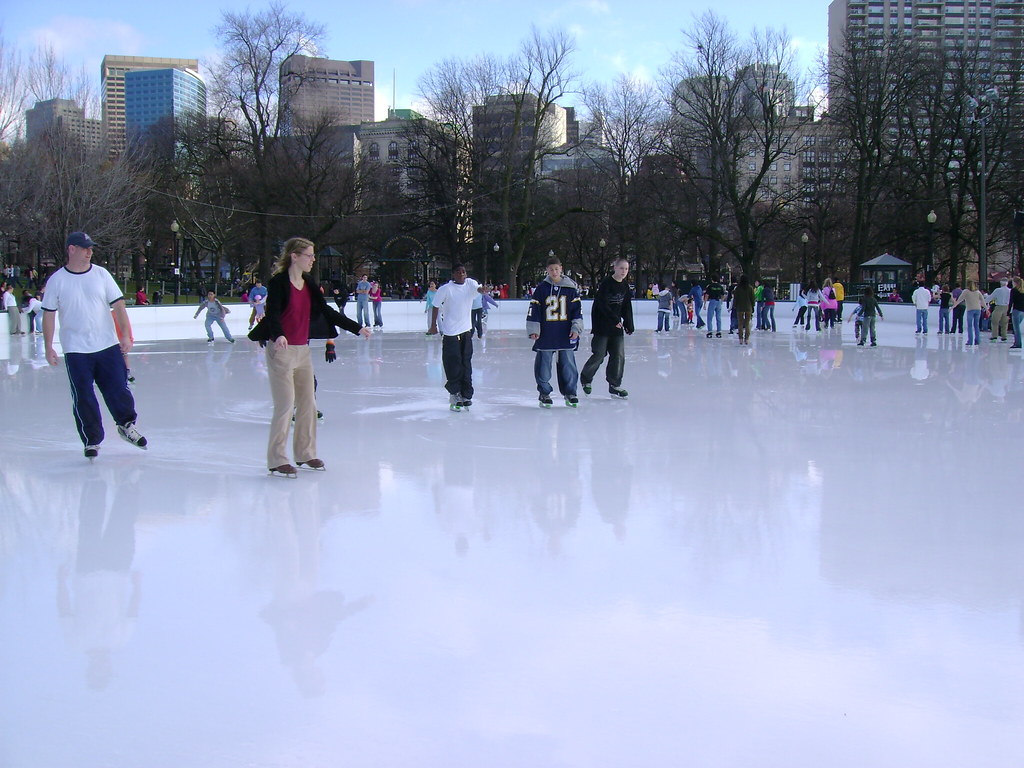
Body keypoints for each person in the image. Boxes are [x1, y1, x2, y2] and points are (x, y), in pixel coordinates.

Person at [248, 237, 371, 477]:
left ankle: (305, 453)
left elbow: (326, 311)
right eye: (309, 255)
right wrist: (279, 334)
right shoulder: (279, 283)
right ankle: (276, 459)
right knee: (285, 405)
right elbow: (272, 314)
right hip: (281, 350)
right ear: (295, 256)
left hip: (302, 351)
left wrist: (357, 328)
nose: (313, 260)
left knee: (308, 404)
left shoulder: (309, 284)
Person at [42, 231, 147, 459]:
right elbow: (48, 315)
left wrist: (126, 335)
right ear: (72, 249)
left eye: (91, 248)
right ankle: (91, 440)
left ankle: (126, 425)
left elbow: (119, 306)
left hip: (107, 345)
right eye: (85, 248)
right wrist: (48, 346)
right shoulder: (57, 281)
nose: (90, 252)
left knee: (118, 388)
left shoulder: (101, 275)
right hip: (76, 350)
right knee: (84, 396)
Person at [429, 264, 490, 410]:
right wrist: (433, 325)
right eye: (458, 272)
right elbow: (435, 305)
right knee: (453, 364)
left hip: (466, 331)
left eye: (463, 272)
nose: (462, 274)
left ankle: (466, 393)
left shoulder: (470, 284)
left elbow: (478, 289)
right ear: (453, 275)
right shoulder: (446, 289)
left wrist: (483, 291)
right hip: (450, 333)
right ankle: (454, 393)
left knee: (466, 363)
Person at [527, 256, 583, 407]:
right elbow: (534, 310)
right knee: (543, 365)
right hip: (546, 333)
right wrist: (534, 330)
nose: (554, 272)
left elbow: (577, 311)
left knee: (568, 364)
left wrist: (576, 328)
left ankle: (570, 393)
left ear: (561, 269)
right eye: (551, 269)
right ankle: (544, 392)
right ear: (547, 271)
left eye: (556, 269)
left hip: (565, 333)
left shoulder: (571, 288)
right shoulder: (541, 289)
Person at [581, 257, 634, 399]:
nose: (624, 271)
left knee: (618, 356)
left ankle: (614, 385)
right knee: (599, 354)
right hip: (602, 326)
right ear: (615, 268)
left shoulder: (625, 286)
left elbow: (626, 306)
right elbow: (602, 305)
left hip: (616, 327)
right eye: (621, 268)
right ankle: (586, 378)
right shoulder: (606, 284)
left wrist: (629, 323)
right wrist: (614, 320)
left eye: (626, 269)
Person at [951, 280, 984, 347]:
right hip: (978, 310)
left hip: (970, 310)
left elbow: (959, 300)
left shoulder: (966, 291)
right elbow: (982, 301)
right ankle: (977, 340)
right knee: (976, 326)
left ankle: (970, 341)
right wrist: (986, 309)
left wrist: (952, 307)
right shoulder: (978, 292)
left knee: (970, 326)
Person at [731, 275, 756, 345]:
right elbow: (752, 298)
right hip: (748, 307)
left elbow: (735, 298)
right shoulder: (750, 288)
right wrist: (753, 306)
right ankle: (747, 339)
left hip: (740, 308)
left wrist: (735, 306)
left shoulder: (738, 288)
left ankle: (740, 339)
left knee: (740, 324)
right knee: (747, 324)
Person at [987, 277, 1011, 342]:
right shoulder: (1010, 291)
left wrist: (983, 302)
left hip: (999, 307)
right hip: (1007, 307)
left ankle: (994, 336)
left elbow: (991, 298)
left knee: (995, 322)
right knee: (1005, 323)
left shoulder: (998, 290)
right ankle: (1004, 336)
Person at [1009, 276, 1024, 349]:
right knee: (1017, 328)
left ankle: (1018, 343)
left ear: (1014, 282)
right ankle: (1017, 342)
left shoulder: (1014, 290)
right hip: (1022, 311)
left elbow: (1011, 302)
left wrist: (1008, 312)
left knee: (1016, 328)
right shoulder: (1023, 291)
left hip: (1016, 310)